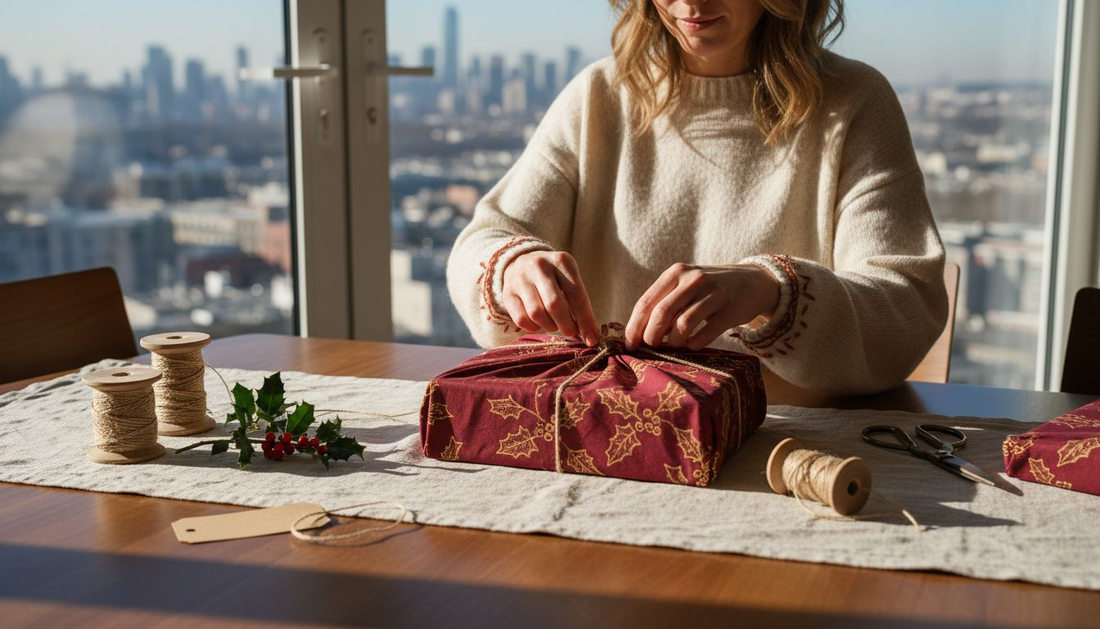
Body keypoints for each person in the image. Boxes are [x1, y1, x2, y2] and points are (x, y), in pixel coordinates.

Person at [446, 0, 948, 395]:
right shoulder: (599, 95)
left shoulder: (853, 102)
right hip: (609, 425)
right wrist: (512, 267)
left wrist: (771, 291)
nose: (691, 2)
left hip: (789, 435)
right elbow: (486, 239)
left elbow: (905, 307)